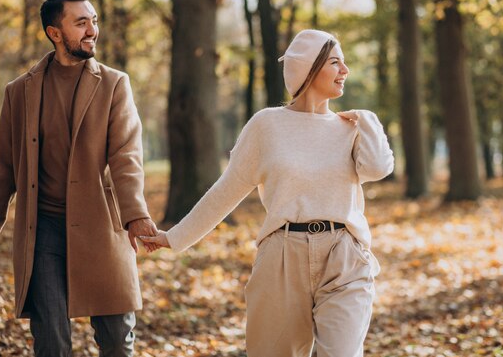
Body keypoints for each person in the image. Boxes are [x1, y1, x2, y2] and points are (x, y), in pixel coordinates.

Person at [141, 29, 394, 357]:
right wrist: (174, 237)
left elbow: (377, 169)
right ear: (309, 69)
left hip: (344, 255)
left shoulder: (350, 128)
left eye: (344, 63)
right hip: (282, 256)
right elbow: (226, 190)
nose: (345, 70)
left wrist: (369, 121)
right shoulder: (266, 126)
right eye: (335, 62)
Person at [0, 0, 157, 357]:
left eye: (94, 21)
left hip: (101, 227)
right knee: (52, 343)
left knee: (117, 342)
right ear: (54, 33)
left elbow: (126, 157)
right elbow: (5, 170)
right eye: (81, 23)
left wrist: (135, 215)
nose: (92, 30)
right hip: (43, 232)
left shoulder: (114, 84)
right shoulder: (18, 92)